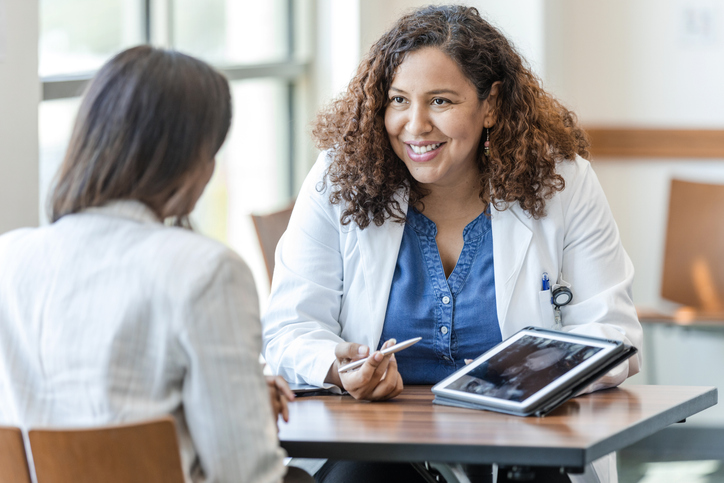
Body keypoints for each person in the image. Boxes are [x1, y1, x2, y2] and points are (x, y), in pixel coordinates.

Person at [262, 5, 642, 483]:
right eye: (398, 100)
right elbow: (288, 330)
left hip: (523, 446)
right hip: (379, 456)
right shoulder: (339, 178)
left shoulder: (561, 181)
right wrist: (338, 368)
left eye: (440, 101)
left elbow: (614, 335)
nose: (415, 125)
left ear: (492, 106)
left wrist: (529, 375)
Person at [0, 46, 311, 483]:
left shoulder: (8, 258)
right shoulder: (206, 271)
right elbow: (246, 474)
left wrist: (236, 394)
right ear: (190, 160)